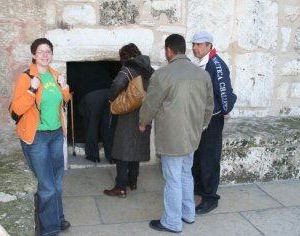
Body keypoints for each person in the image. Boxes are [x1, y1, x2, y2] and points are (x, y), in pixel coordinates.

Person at [139, 34, 214, 233]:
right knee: (185, 174)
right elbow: (209, 107)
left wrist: (143, 122)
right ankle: (188, 213)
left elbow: (151, 104)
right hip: (192, 136)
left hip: (172, 138)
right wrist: (202, 126)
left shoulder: (162, 75)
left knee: (173, 179)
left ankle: (172, 221)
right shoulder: (202, 74)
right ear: (184, 49)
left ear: (168, 51)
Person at [10, 38, 71, 235]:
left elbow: (66, 99)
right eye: (41, 51)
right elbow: (17, 109)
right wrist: (32, 90)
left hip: (55, 136)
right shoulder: (27, 78)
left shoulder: (55, 75)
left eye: (48, 51)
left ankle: (58, 218)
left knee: (57, 183)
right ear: (34, 55)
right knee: (47, 186)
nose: (45, 55)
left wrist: (64, 87)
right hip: (36, 137)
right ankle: (49, 229)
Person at [190, 31, 237, 215]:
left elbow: (224, 92)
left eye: (199, 44)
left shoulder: (215, 64)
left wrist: (224, 111)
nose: (195, 47)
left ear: (209, 46)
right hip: (201, 118)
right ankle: (200, 187)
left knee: (209, 158)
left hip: (212, 118)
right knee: (199, 155)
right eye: (194, 44)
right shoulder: (202, 63)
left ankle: (210, 197)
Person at [103, 43, 154, 198]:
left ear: (124, 56)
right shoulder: (149, 69)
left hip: (128, 113)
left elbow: (117, 84)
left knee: (122, 151)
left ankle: (120, 187)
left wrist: (112, 99)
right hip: (145, 112)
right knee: (136, 149)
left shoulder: (128, 68)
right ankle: (132, 182)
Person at [68, 62, 114, 163]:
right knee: (108, 126)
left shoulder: (75, 66)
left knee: (91, 125)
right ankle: (111, 156)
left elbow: (69, 85)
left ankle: (93, 155)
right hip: (109, 93)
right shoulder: (100, 64)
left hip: (91, 96)